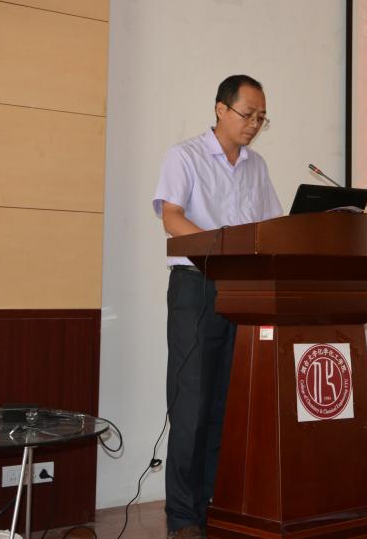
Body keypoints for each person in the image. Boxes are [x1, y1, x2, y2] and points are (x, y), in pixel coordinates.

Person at [152, 75, 282, 539]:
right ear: (221, 109)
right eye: (248, 114)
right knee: (193, 403)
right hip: (197, 287)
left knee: (228, 402)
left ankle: (214, 505)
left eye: (261, 118)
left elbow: (271, 227)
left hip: (242, 292)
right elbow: (172, 218)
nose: (254, 124)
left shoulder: (256, 166)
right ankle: (183, 517)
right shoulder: (184, 156)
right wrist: (220, 251)